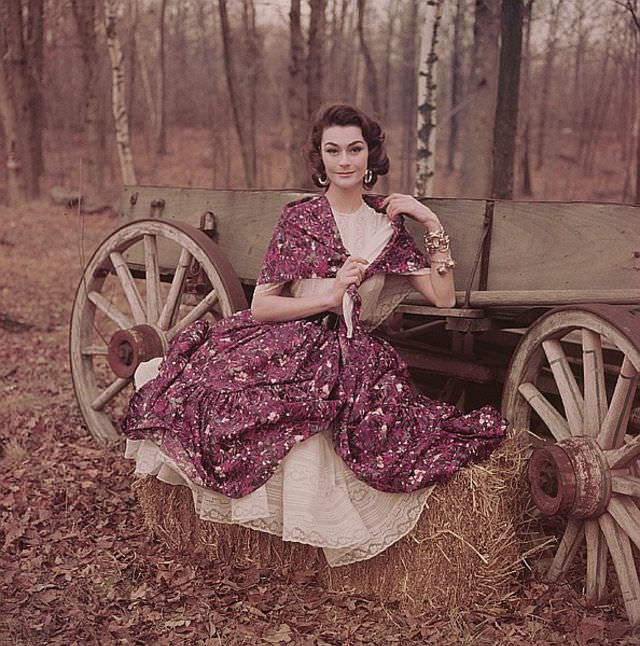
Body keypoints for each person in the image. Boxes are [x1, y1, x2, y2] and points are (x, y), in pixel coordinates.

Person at [122, 104, 507, 567]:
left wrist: (432, 223)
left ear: (370, 157)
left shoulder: (388, 230)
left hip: (355, 353)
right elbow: (263, 305)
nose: (344, 160)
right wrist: (328, 297)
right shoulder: (301, 221)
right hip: (288, 341)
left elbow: (444, 298)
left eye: (354, 149)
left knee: (387, 433)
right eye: (333, 150)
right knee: (230, 401)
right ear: (320, 160)